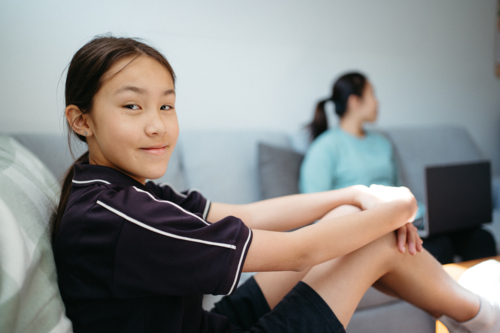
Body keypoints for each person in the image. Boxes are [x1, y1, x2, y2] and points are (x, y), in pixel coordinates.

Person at [52, 36, 499, 333]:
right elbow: (301, 251)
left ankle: (467, 310)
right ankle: (479, 317)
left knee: (350, 217)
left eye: (167, 107)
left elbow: (247, 215)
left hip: (210, 323)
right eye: (133, 106)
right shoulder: (116, 216)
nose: (158, 126)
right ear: (82, 119)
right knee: (377, 240)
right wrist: (401, 207)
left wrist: (354, 195)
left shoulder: (122, 191)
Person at [299, 72, 497, 265]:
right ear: (354, 101)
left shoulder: (381, 143)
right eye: (372, 95)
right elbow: (315, 208)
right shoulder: (325, 147)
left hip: (406, 217)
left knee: (481, 238)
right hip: (370, 224)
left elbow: (397, 187)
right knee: (439, 246)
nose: (378, 102)